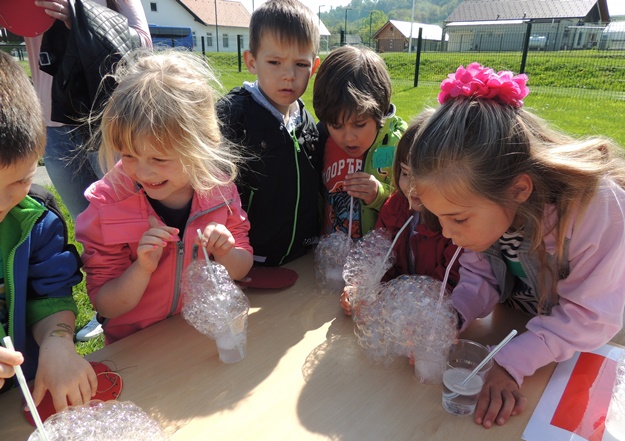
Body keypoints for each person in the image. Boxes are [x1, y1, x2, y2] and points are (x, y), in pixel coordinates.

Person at [409, 62, 625, 429]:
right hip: (531, 329)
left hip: (599, 344)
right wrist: (453, 316)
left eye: (458, 219)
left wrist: (510, 362)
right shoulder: (485, 202)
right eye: (440, 218)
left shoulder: (598, 207)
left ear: (519, 190)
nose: (448, 234)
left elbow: (591, 317)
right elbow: (479, 276)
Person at [75, 50, 253, 344]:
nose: (143, 172)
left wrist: (226, 252)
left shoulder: (220, 191)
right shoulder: (107, 206)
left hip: (196, 336)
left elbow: (241, 267)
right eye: (128, 155)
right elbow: (105, 304)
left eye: (159, 159)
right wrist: (142, 269)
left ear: (202, 144)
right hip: (136, 347)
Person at [25, 0, 152, 341]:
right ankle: (106, 307)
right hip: (52, 122)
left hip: (106, 117)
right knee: (89, 227)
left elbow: (142, 43)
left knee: (127, 222)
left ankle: (145, 302)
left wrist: (82, 17)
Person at [0, 50, 97, 410]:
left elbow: (50, 294)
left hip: (23, 392)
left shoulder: (35, 219)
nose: (4, 202)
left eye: (21, 180)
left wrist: (57, 342)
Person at [216, 0, 322, 267]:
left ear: (314, 66)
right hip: (246, 262)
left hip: (301, 259)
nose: (289, 75)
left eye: (301, 64)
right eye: (275, 62)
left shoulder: (307, 121)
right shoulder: (231, 117)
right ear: (251, 61)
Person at [339, 110, 460, 316]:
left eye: (421, 176)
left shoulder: (456, 226)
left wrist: (417, 309)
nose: (411, 186)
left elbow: (452, 284)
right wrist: (362, 288)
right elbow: (380, 258)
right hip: (396, 315)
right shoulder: (394, 208)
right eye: (405, 173)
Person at [313, 45, 407, 240]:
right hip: (329, 250)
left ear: (380, 112)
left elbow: (415, 207)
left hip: (379, 255)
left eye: (360, 124)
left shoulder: (399, 145)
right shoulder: (320, 139)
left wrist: (379, 195)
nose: (348, 137)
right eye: (336, 125)